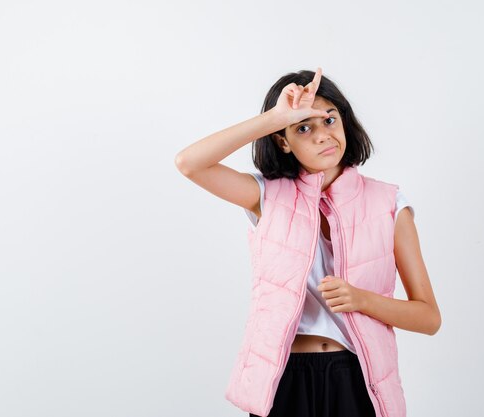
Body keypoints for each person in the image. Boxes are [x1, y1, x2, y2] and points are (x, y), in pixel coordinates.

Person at [175, 67, 441, 417]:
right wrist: (276, 117)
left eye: (329, 120)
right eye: (303, 127)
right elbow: (190, 163)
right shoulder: (267, 195)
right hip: (283, 379)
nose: (322, 136)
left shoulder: (388, 202)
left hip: (358, 380)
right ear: (282, 140)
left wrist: (360, 299)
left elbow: (428, 317)